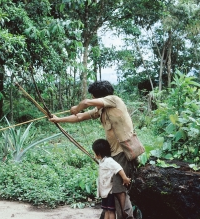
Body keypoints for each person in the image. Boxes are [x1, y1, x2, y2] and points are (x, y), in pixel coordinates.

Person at [49, 80, 136, 219]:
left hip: (123, 152)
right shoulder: (102, 109)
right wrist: (59, 120)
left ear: (98, 96)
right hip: (112, 154)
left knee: (119, 190)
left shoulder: (114, 100)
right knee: (110, 188)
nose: (93, 99)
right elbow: (81, 117)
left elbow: (85, 103)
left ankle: (127, 217)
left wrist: (77, 108)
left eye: (94, 96)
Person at [93, 139, 131, 219]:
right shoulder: (102, 161)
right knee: (106, 210)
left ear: (99, 153)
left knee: (111, 211)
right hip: (104, 192)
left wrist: (125, 178)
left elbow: (118, 168)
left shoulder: (109, 161)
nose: (94, 154)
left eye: (94, 152)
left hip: (109, 192)